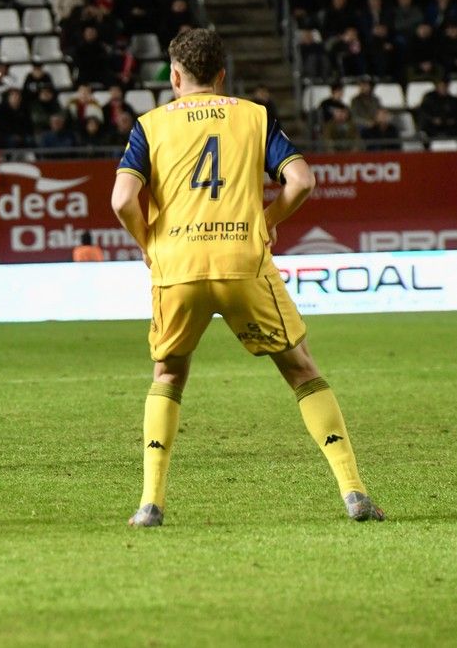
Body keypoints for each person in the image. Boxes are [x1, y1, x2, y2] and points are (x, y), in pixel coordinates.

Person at [111, 29, 383, 528]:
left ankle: (150, 503)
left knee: (168, 375)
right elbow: (302, 181)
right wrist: (268, 219)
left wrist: (148, 243)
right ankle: (353, 491)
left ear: (174, 76)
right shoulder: (253, 116)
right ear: (221, 75)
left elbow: (122, 200)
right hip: (243, 258)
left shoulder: (150, 125)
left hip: (178, 265)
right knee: (301, 369)